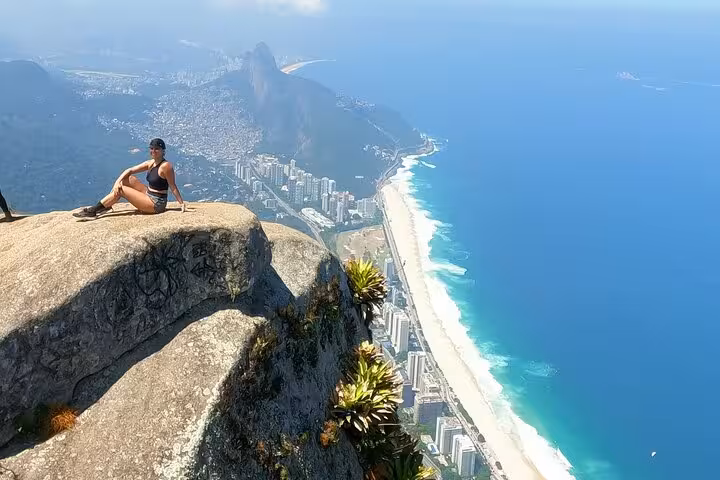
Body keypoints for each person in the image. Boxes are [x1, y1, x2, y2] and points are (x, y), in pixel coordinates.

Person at [73, 138, 186, 218]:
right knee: (128, 179)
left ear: (163, 151)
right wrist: (117, 182)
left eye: (157, 149)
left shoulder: (166, 166)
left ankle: (94, 210)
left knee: (121, 189)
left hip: (156, 203)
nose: (153, 151)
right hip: (148, 193)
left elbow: (173, 186)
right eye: (151, 148)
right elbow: (129, 170)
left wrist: (181, 203)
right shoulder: (151, 163)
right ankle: (106, 206)